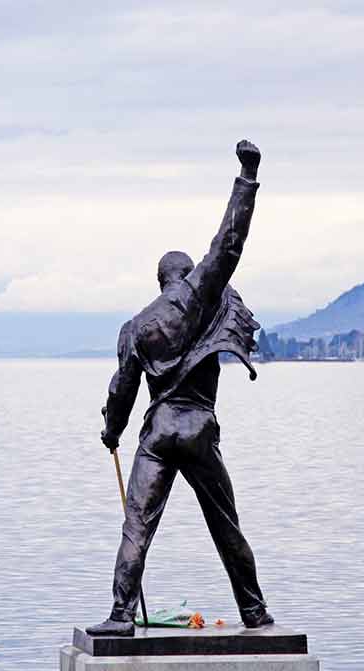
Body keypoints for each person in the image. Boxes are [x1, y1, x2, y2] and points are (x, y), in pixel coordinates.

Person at [87, 140, 272, 637]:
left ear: (158, 280)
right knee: (224, 524)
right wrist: (246, 178)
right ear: (187, 276)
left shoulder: (136, 326)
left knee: (137, 527)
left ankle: (120, 616)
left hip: (158, 432)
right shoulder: (202, 297)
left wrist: (112, 432)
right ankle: (254, 612)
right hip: (197, 429)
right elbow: (228, 244)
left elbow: (121, 390)